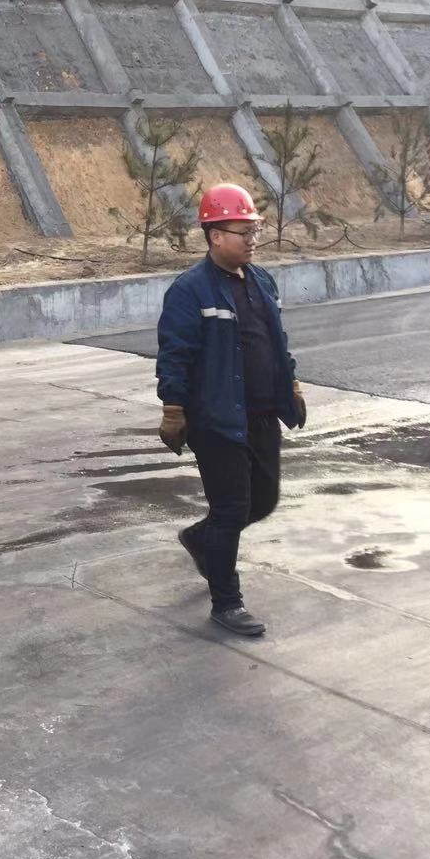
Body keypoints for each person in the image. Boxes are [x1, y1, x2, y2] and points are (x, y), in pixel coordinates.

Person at [155, 182, 307, 638]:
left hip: (261, 414)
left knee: (264, 500)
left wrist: (291, 383)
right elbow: (174, 354)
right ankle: (227, 601)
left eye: (254, 230)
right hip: (215, 418)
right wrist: (173, 409)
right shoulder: (190, 290)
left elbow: (277, 341)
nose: (252, 239)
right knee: (231, 508)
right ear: (215, 235)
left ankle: (201, 540)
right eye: (244, 232)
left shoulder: (261, 281)